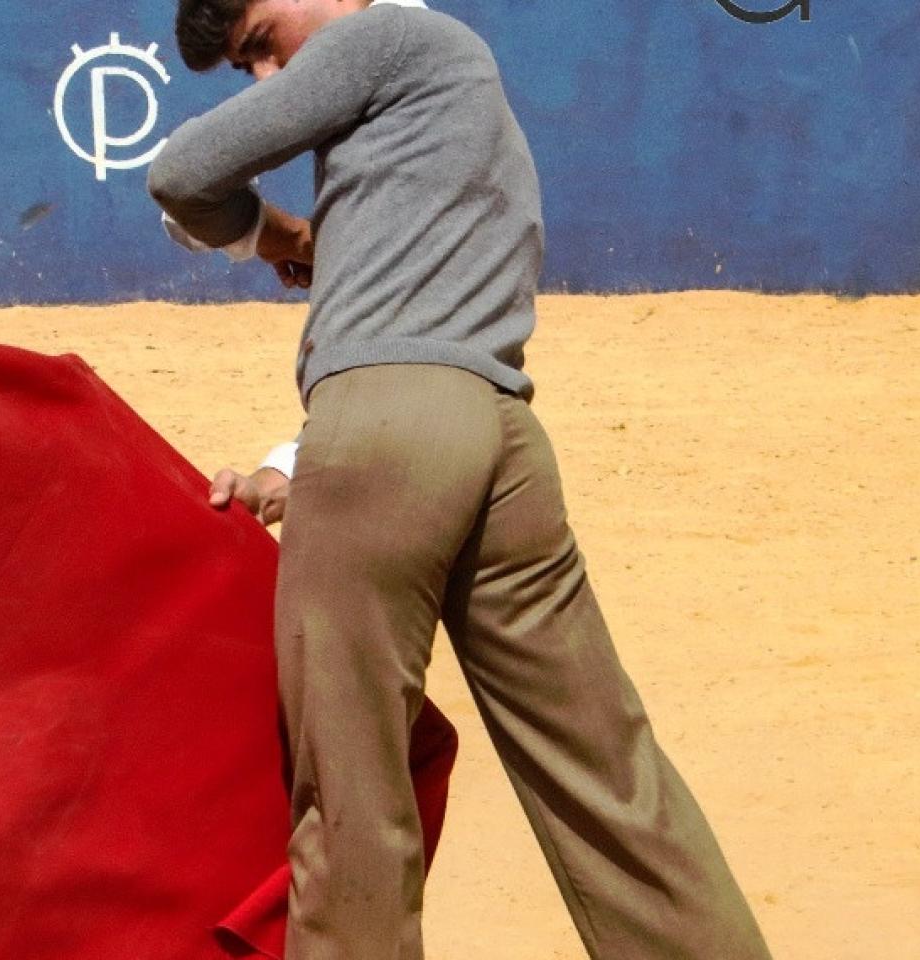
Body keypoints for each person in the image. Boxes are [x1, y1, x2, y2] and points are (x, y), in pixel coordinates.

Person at [146, 1, 774, 957]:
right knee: (607, 776)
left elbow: (182, 175)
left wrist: (276, 235)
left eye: (263, 43)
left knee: (350, 800)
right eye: (248, 68)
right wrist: (295, 465)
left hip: (387, 439)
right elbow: (428, 346)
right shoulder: (445, 79)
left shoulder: (379, 38)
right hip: (501, 437)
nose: (270, 78)